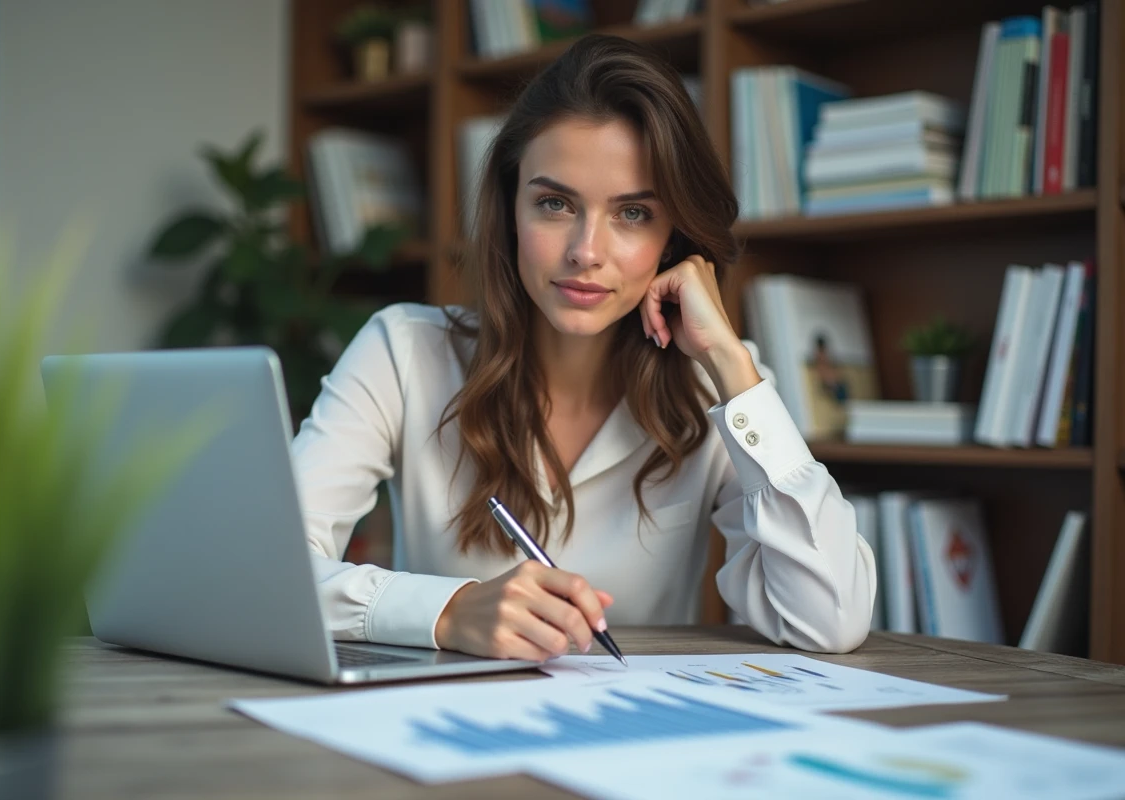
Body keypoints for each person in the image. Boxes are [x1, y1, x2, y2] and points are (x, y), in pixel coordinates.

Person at [291, 34, 875, 662]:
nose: (586, 251)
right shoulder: (402, 351)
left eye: (632, 214)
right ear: (509, 210)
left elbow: (830, 620)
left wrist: (733, 363)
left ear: (674, 238)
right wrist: (447, 611)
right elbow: (266, 567)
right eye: (554, 203)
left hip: (634, 738)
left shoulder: (721, 385)